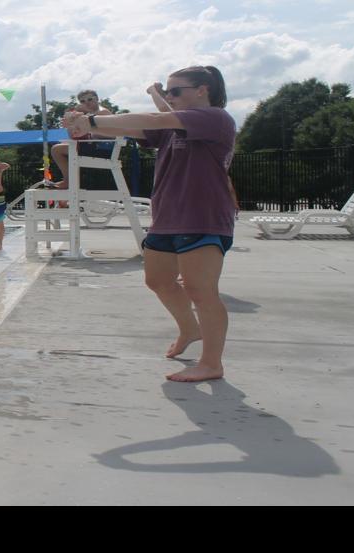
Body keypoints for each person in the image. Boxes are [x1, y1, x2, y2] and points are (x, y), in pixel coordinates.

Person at [62, 65, 236, 383]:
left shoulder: (215, 118)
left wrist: (90, 120)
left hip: (202, 217)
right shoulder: (173, 126)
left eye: (175, 91)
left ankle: (212, 363)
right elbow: (138, 128)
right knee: (158, 281)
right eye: (167, 91)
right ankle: (190, 329)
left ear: (203, 90)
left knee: (200, 289)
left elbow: (156, 118)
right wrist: (85, 128)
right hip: (167, 217)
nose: (169, 97)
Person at [52, 89, 114, 188]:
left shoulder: (103, 112)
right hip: (95, 147)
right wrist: (71, 121)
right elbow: (73, 135)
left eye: (90, 99)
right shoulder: (88, 115)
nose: (87, 103)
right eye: (83, 101)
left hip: (102, 149)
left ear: (97, 99)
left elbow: (107, 134)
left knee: (57, 150)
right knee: (61, 148)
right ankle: (70, 181)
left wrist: (78, 117)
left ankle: (68, 181)